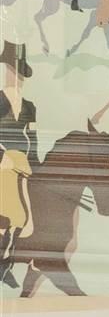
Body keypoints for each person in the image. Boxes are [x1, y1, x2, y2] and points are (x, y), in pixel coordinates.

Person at [0, 40, 35, 267]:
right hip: (3, 162)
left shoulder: (30, 105)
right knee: (9, 213)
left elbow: (33, 137)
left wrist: (36, 162)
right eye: (12, 71)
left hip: (23, 163)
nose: (16, 77)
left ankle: (9, 261)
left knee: (24, 217)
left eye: (20, 72)